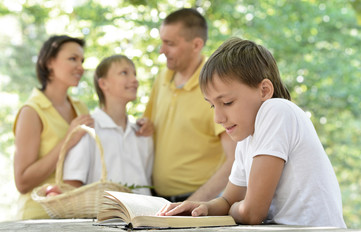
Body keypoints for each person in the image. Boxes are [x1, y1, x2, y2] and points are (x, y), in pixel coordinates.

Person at [157, 38, 347, 228]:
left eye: (227, 102)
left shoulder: (276, 111)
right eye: (212, 105)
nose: (218, 118)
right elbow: (228, 200)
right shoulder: (247, 138)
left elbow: (252, 213)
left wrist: (234, 209)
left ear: (264, 90)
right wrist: (202, 207)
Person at [138, 8, 237, 202]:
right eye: (162, 41)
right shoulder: (161, 79)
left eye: (170, 43)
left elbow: (234, 160)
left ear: (196, 45)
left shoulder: (216, 86)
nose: (161, 50)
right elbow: (149, 129)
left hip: (196, 204)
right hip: (157, 200)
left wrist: (194, 203)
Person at [13, 35, 94, 219]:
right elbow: (22, 182)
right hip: (37, 220)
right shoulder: (32, 111)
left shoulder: (80, 107)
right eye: (72, 59)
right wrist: (68, 140)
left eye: (82, 60)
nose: (80, 67)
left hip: (75, 218)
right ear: (50, 62)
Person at [62, 55, 154, 195]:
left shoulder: (142, 132)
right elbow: (71, 184)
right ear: (103, 84)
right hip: (102, 216)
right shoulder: (87, 129)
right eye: (124, 73)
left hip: (143, 215)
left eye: (134, 74)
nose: (135, 80)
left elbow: (148, 180)